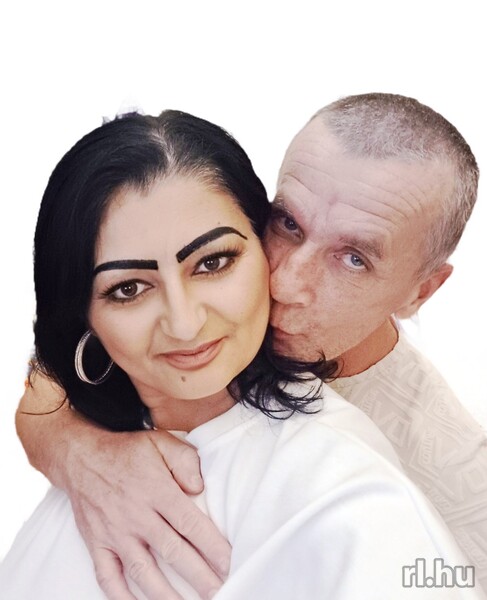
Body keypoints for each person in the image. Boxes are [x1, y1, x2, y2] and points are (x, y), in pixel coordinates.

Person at [14, 95, 487, 595]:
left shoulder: (457, 486)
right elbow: (70, 358)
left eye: (353, 259)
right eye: (288, 224)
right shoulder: (218, 277)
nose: (283, 283)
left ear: (420, 292)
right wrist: (79, 452)